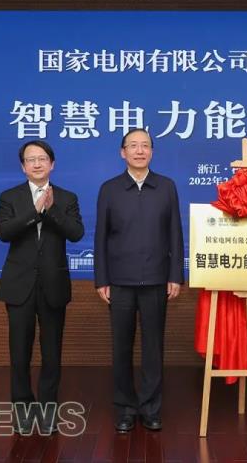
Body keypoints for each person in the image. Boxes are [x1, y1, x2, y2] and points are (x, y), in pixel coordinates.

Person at [94, 128, 184, 432]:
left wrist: (175, 275)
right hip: (119, 281)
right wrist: (101, 279)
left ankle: (150, 408)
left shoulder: (166, 186)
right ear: (123, 153)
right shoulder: (109, 189)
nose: (139, 151)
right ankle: (125, 408)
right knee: (121, 347)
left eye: (145, 145)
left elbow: (175, 233)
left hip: (157, 279)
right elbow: (100, 238)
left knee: (153, 347)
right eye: (133, 146)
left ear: (152, 152)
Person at [0, 140, 84, 434]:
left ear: (52, 164)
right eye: (31, 159)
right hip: (19, 285)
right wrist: (34, 211)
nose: (37, 163)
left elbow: (76, 233)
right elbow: (3, 232)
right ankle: (22, 408)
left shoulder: (67, 198)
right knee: (19, 352)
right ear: (23, 166)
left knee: (51, 353)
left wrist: (51, 210)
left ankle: (48, 409)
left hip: (53, 285)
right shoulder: (10, 197)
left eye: (42, 158)